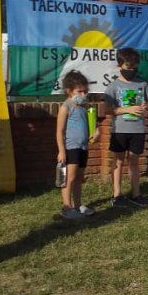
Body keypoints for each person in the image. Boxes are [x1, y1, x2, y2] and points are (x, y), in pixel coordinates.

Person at [104, 47, 148, 208]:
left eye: (134, 68)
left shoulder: (142, 83)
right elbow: (108, 110)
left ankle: (136, 193)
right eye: (128, 67)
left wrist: (146, 105)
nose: (131, 70)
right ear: (120, 65)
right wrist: (127, 109)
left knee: (134, 162)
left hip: (137, 129)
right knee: (118, 161)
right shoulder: (113, 86)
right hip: (120, 130)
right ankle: (117, 194)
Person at [55, 70, 99, 219]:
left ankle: (78, 205)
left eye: (85, 91)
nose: (83, 94)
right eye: (79, 91)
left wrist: (95, 132)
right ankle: (67, 207)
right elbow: (59, 132)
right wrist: (61, 151)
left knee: (79, 177)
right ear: (69, 91)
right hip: (70, 147)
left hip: (83, 147)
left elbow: (91, 126)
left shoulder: (85, 108)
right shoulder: (65, 107)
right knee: (69, 177)